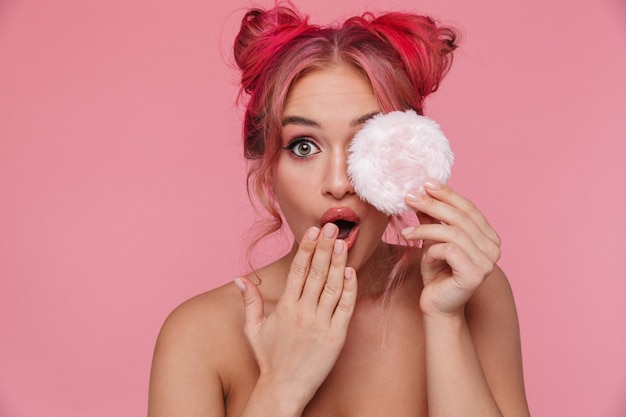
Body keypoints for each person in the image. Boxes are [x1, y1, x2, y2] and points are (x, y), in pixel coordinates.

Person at [148, 4, 530, 416]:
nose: (337, 183)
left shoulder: (470, 293)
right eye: (303, 146)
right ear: (268, 169)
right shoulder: (197, 337)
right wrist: (280, 387)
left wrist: (444, 319)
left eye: (362, 142)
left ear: (405, 156)